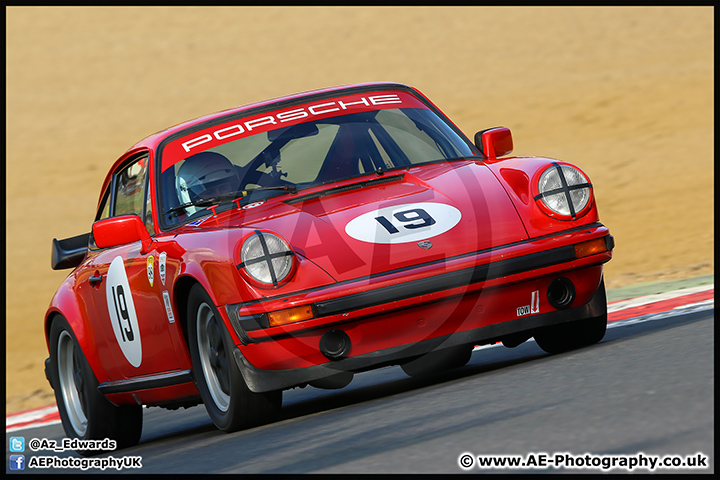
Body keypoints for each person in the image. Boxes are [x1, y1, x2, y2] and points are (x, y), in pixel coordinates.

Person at [175, 152, 241, 215]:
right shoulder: (178, 223)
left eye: (223, 189)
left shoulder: (248, 204)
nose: (219, 198)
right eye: (209, 193)